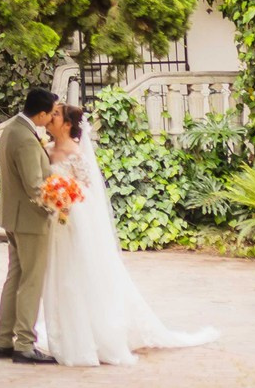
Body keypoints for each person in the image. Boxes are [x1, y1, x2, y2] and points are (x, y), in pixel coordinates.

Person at [37, 102, 218, 366]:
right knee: (60, 276)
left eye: (55, 116)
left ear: (66, 124)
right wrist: (54, 198)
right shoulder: (46, 150)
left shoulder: (76, 153)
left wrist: (67, 197)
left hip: (77, 222)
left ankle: (94, 335)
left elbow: (88, 190)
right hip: (56, 223)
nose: (50, 119)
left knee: (81, 275)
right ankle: (65, 332)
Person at [0, 87, 63, 365]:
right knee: (31, 281)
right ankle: (24, 344)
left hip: (12, 216)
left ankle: (3, 340)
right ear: (41, 114)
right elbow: (35, 186)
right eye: (51, 113)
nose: (53, 117)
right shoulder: (27, 139)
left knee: (15, 278)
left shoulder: (12, 129)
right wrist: (57, 207)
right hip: (30, 221)